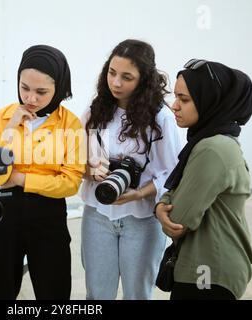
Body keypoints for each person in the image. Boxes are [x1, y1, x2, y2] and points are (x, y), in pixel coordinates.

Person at [80, 39, 182, 300]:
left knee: (137, 295)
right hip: (98, 214)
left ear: (144, 79)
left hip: (142, 219)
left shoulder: (161, 117)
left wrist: (137, 193)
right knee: (97, 295)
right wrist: (89, 170)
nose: (115, 82)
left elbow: (170, 174)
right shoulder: (97, 107)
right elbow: (74, 154)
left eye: (127, 77)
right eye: (111, 73)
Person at [0, 45, 85, 299]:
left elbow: (70, 183)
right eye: (24, 88)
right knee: (0, 286)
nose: (30, 99)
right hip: (6, 210)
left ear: (59, 88)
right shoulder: (4, 116)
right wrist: (11, 126)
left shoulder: (70, 124)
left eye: (41, 92)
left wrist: (20, 178)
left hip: (49, 214)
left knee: (54, 289)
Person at [155, 59, 252, 300]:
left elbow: (178, 220)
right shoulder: (212, 140)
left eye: (184, 99)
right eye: (176, 96)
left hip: (208, 274)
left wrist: (163, 207)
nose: (174, 106)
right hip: (211, 268)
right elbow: (176, 189)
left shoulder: (212, 148)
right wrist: (161, 206)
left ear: (211, 101)